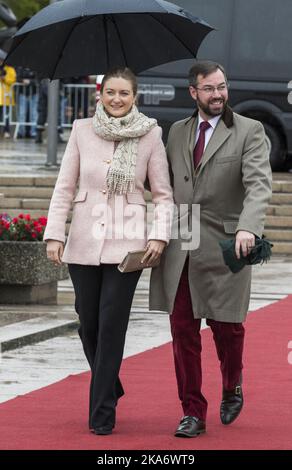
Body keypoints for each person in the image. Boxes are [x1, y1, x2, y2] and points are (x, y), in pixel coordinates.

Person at [44, 67, 173, 435]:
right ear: (100, 94)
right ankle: (110, 382)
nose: (117, 99)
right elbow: (64, 187)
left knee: (111, 326)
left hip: (128, 247)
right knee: (89, 324)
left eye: (125, 93)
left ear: (135, 97)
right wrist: (55, 234)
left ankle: (101, 413)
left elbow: (163, 195)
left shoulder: (150, 134)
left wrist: (159, 237)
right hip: (83, 241)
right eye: (111, 92)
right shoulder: (82, 131)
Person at [149, 61, 272, 438]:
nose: (218, 94)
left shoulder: (250, 130)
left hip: (228, 242)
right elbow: (164, 184)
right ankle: (192, 410)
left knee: (228, 328)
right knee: (182, 329)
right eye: (209, 88)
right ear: (193, 92)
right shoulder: (176, 132)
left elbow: (259, 184)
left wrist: (249, 227)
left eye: (222, 86)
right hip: (183, 239)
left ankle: (232, 383)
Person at [0, 59, 16, 138]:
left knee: (6, 116)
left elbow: (13, 80)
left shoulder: (10, 69)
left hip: (6, 97)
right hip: (1, 96)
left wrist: (4, 79)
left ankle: (6, 131)